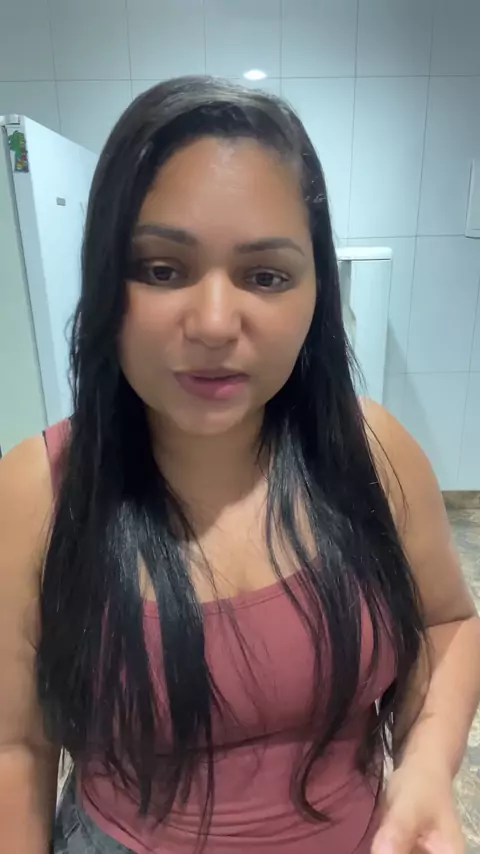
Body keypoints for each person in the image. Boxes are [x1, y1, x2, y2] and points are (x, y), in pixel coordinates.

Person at [0, 77, 478, 854]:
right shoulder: (37, 489)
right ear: (104, 280)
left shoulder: (373, 450)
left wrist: (425, 770)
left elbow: (446, 623)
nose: (216, 323)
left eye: (265, 276)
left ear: (316, 293)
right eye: (162, 269)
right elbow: (16, 746)